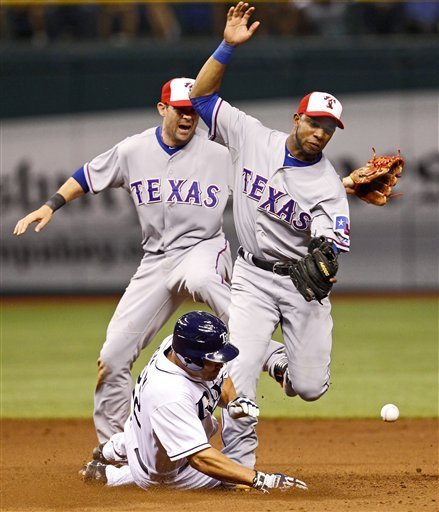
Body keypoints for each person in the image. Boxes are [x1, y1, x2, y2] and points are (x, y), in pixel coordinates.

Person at [13, 76, 288, 443]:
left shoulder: (221, 153)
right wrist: (50, 206)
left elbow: (278, 182)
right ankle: (112, 449)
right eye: (180, 109)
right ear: (163, 109)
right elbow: (87, 176)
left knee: (203, 280)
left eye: (192, 110)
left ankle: (269, 354)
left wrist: (341, 185)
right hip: (156, 261)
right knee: (112, 358)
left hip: (203, 248)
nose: (188, 117)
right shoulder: (133, 150)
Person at [190, 2, 351, 470]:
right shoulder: (250, 136)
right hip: (252, 279)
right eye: (316, 121)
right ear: (297, 118)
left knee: (308, 387)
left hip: (300, 289)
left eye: (330, 127)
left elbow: (329, 253)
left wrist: (325, 262)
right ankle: (241, 469)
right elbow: (201, 98)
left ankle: (278, 361)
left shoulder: (326, 187)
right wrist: (226, 47)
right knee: (236, 373)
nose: (321, 132)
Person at [79, 311, 308, 493]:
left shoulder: (176, 347)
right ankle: (112, 476)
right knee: (229, 478)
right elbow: (200, 458)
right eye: (214, 361)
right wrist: (260, 480)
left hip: (141, 433)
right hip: (166, 473)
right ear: (191, 360)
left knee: (150, 434)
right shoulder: (169, 393)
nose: (220, 365)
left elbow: (222, 376)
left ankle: (112, 449)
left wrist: (234, 401)